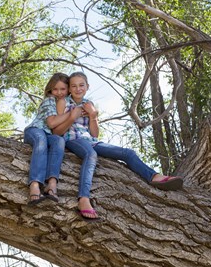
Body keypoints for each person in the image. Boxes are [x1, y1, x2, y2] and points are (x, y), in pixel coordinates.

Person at [53, 71, 183, 222]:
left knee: (127, 153)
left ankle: (154, 176)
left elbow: (94, 135)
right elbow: (57, 131)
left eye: (81, 85)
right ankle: (83, 199)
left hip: (91, 141)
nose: (78, 89)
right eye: (73, 86)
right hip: (72, 139)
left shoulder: (89, 104)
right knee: (90, 155)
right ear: (69, 88)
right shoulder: (64, 102)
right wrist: (72, 116)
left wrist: (93, 116)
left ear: (87, 87)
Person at [24, 73, 73, 205]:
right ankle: (34, 184)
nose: (59, 93)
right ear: (50, 90)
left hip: (49, 136)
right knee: (41, 141)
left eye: (63, 89)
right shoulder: (49, 100)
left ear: (68, 89)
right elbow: (51, 123)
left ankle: (51, 184)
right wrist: (71, 115)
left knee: (59, 141)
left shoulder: (68, 103)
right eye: (55, 89)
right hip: (35, 131)